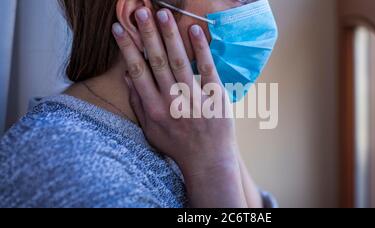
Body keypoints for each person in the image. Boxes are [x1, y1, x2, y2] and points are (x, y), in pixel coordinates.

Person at [0, 0, 278, 208]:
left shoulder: (190, 131)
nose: (262, 14)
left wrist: (219, 147)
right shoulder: (71, 171)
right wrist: (213, 170)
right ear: (137, 19)